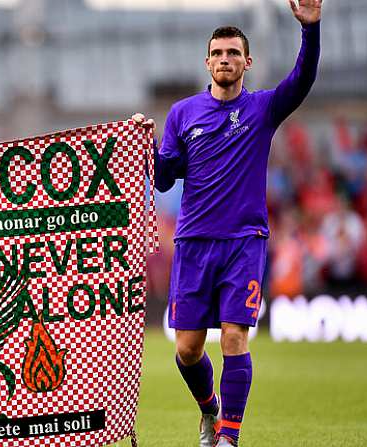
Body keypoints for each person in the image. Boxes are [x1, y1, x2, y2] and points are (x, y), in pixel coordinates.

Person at [134, 1, 321, 445]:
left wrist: (310, 31)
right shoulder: (182, 114)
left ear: (247, 62)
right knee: (187, 349)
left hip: (243, 242)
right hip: (194, 243)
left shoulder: (262, 109)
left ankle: (229, 439)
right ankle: (209, 411)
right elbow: (163, 180)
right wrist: (147, 146)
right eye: (218, 53)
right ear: (207, 61)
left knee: (235, 338)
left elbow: (302, 80)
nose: (225, 59)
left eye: (233, 53)